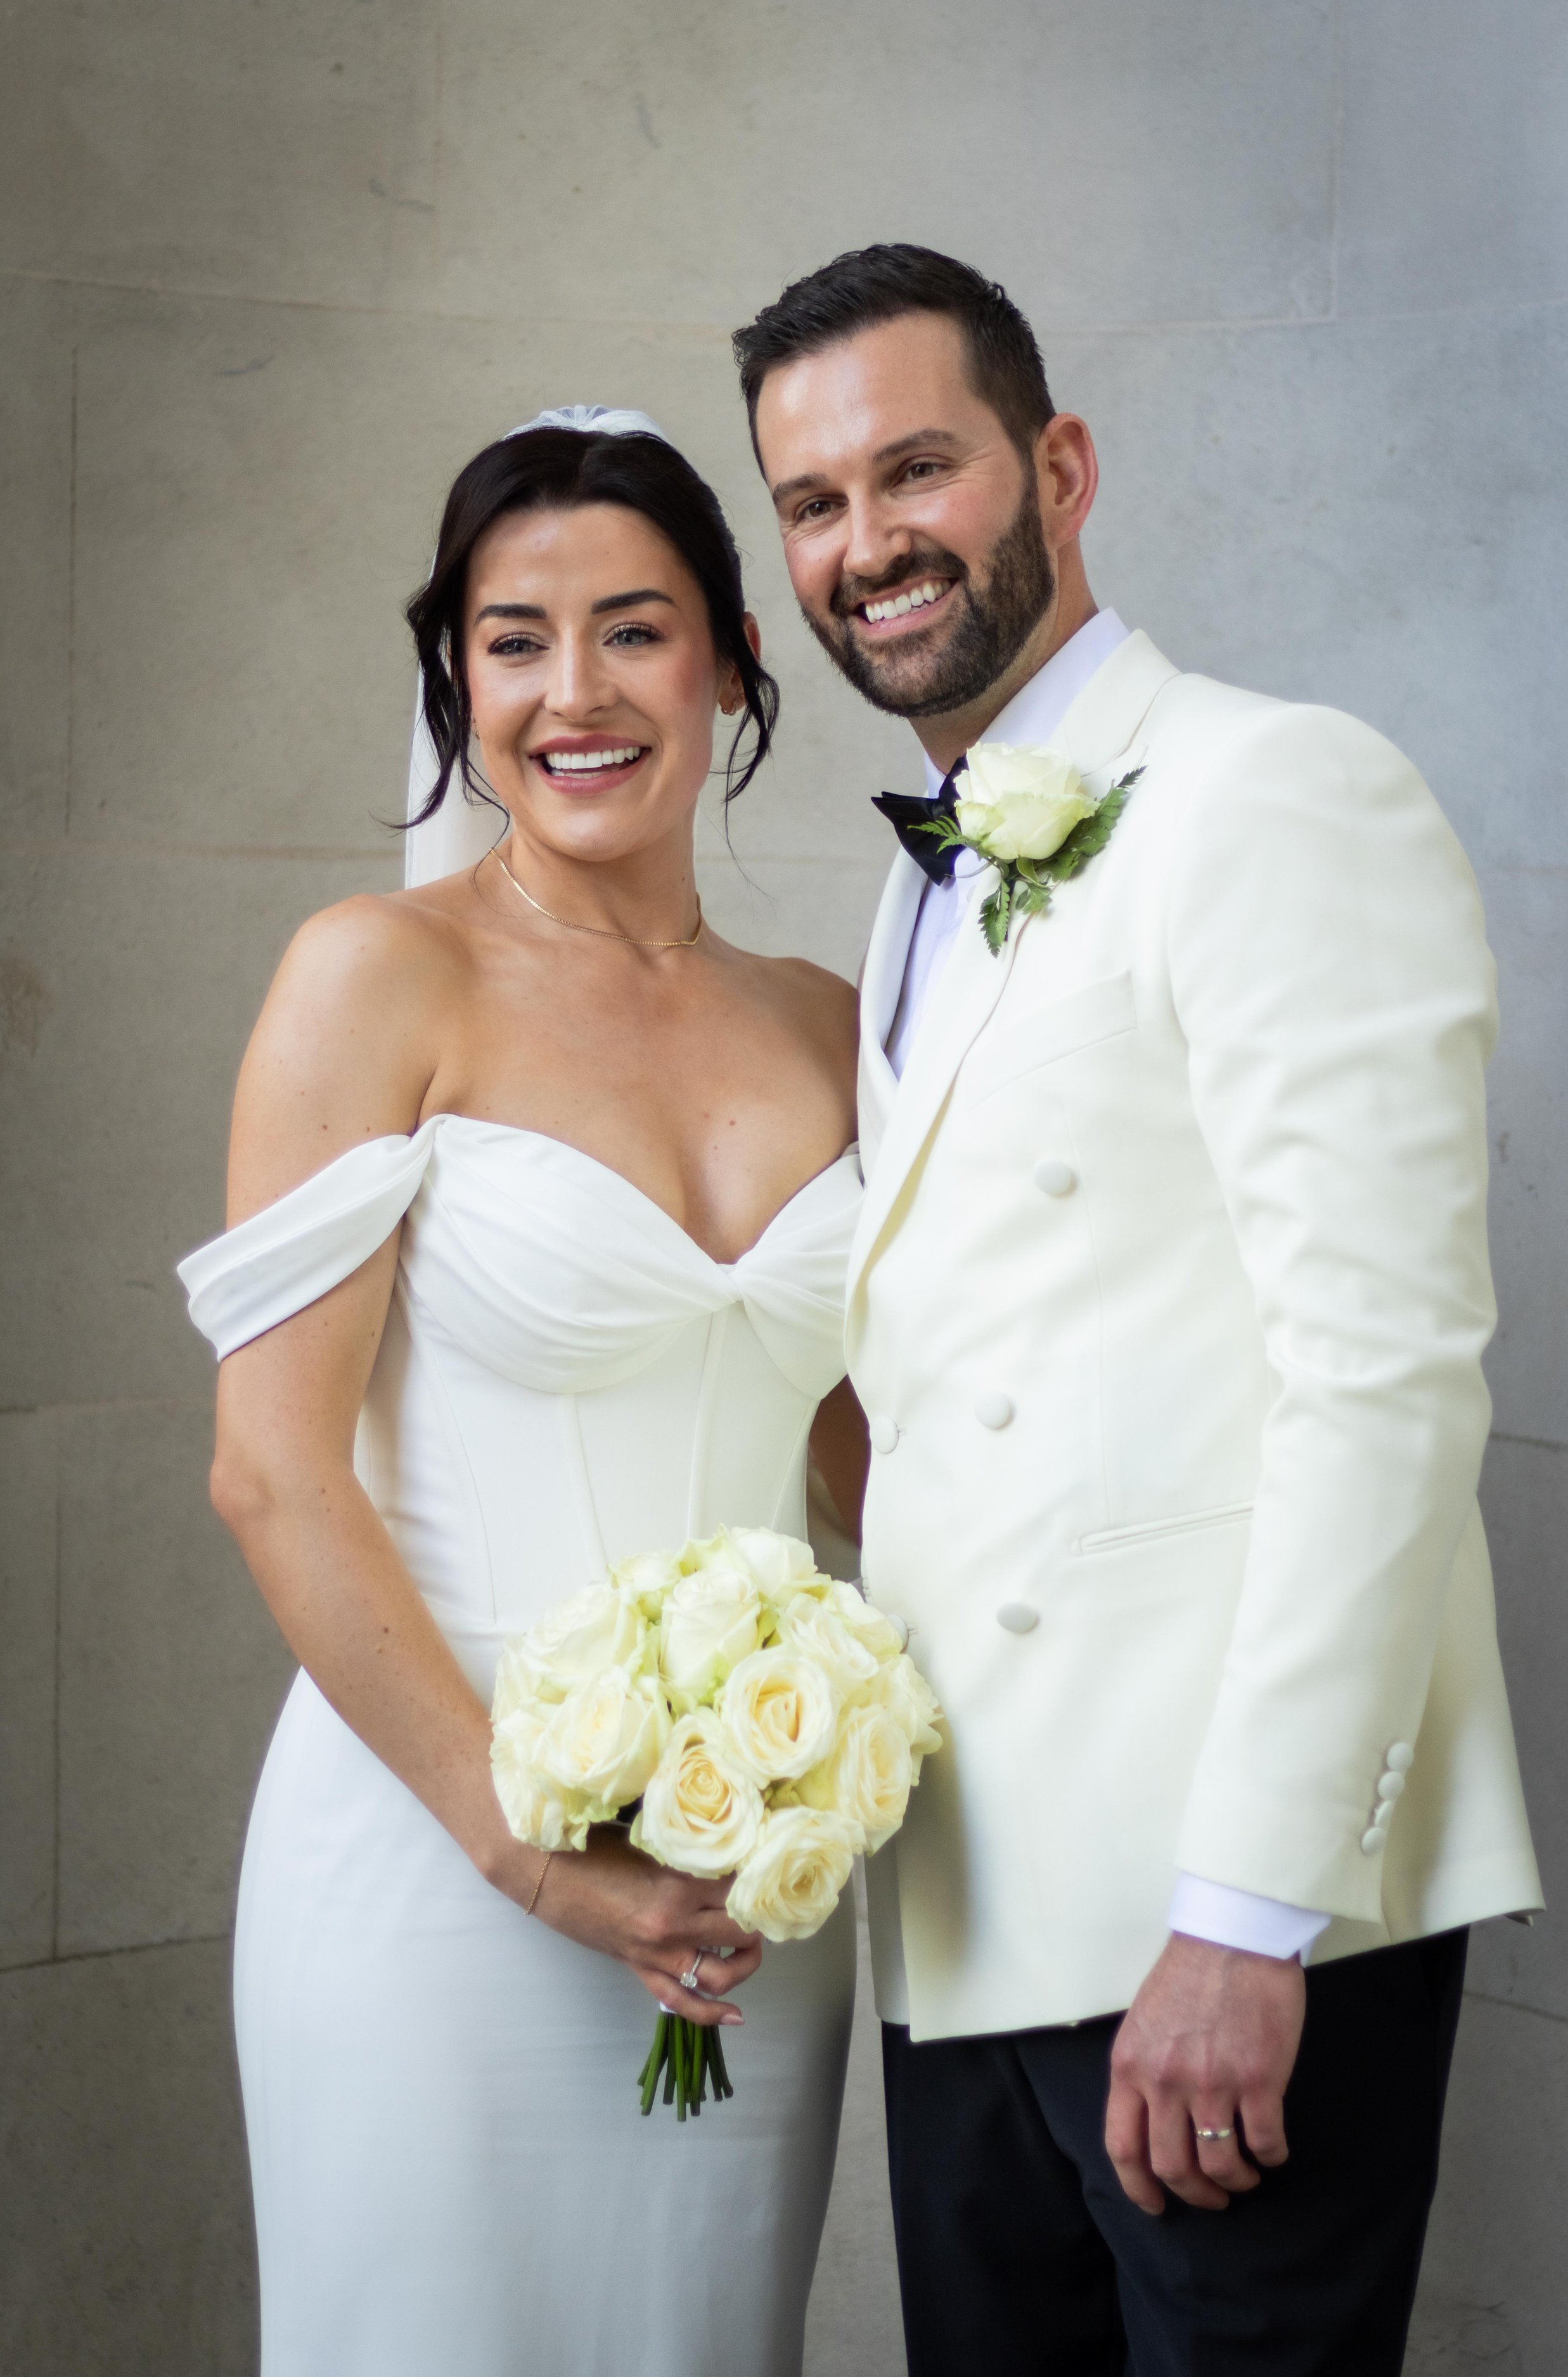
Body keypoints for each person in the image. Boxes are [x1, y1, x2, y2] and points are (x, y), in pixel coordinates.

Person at [734, 246, 1543, 2376]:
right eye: (811, 504)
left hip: (1216, 1921)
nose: (867, 544)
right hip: (972, 1917)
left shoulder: (1280, 788)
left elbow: (1381, 1380)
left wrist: (1246, 1915)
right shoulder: (908, 881)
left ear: (1058, 467)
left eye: (917, 469)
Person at [177, 408, 871, 2377]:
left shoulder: (829, 1021)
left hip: (751, 1883)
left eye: (635, 631)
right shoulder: (374, 979)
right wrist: (533, 1858)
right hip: (432, 1863)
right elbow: (274, 1476)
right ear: (455, 680)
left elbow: (866, 1455)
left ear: (734, 660)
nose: (573, 693)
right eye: (512, 639)